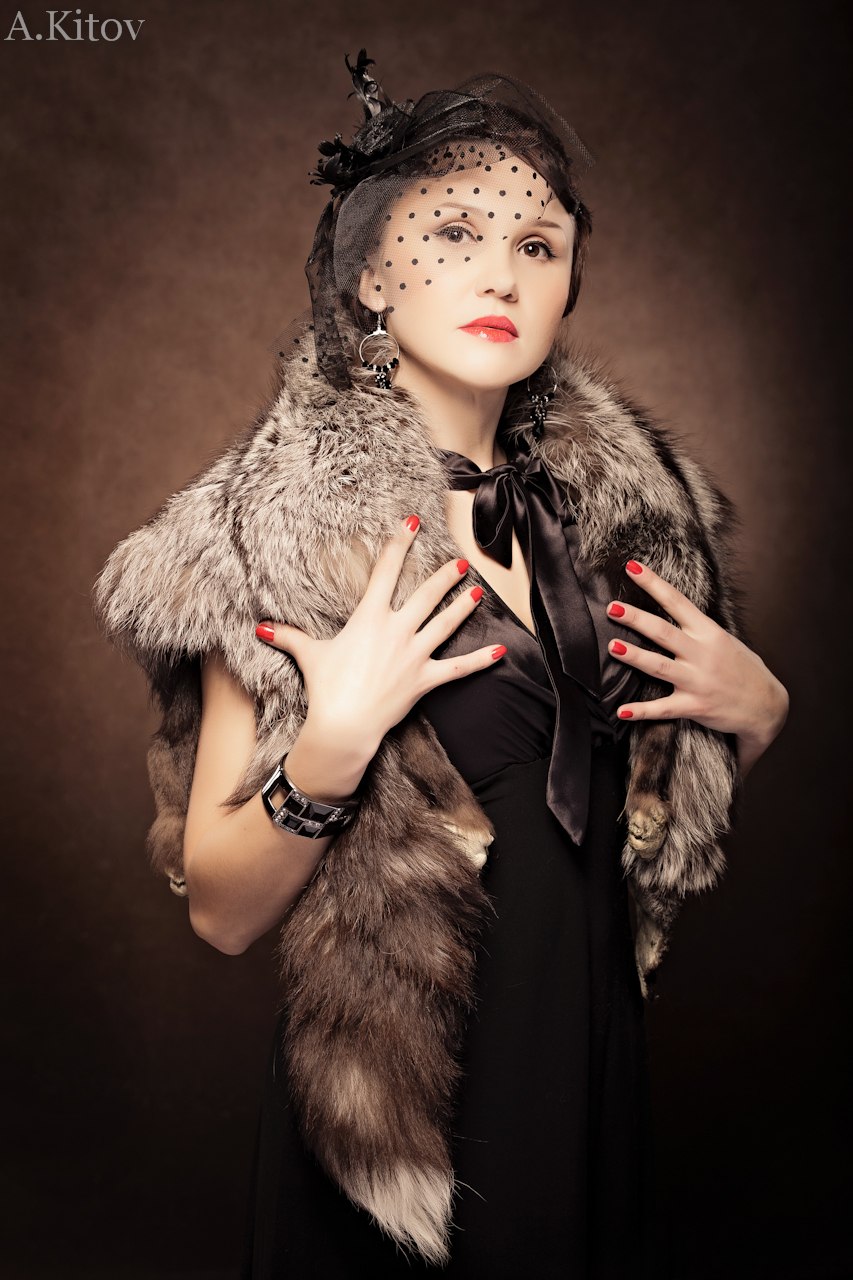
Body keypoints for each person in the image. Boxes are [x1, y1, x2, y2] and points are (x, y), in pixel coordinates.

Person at [92, 52, 788, 1279]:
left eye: (537, 244)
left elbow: (642, 817)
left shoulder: (626, 524)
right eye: (454, 231)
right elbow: (220, 912)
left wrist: (760, 710)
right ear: (370, 274)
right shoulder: (273, 536)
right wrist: (330, 747)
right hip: (404, 1116)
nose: (498, 273)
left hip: (589, 1071)